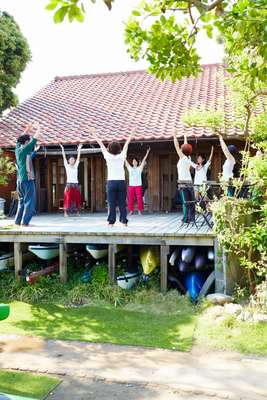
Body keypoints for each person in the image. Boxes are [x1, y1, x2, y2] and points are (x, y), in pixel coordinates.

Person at [89, 127, 134, 226]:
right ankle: (124, 222)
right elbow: (127, 144)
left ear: (109, 149)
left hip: (111, 182)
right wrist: (131, 134)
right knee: (122, 203)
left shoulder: (107, 156)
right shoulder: (122, 155)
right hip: (121, 182)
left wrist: (94, 133)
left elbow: (100, 144)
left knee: (111, 203)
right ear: (119, 149)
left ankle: (111, 222)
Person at [15, 122, 42, 227]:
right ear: (26, 142)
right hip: (27, 179)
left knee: (21, 201)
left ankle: (18, 222)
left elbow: (20, 139)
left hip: (19, 181)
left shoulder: (18, 148)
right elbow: (35, 138)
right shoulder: (26, 148)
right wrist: (38, 128)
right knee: (29, 202)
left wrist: (27, 129)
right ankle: (25, 222)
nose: (30, 141)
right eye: (29, 140)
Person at [173, 129, 195, 223]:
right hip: (189, 182)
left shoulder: (183, 157)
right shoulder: (188, 157)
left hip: (182, 183)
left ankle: (186, 219)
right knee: (190, 201)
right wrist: (185, 136)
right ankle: (190, 218)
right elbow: (185, 147)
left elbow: (177, 146)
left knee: (185, 202)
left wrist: (174, 136)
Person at [59, 143, 83, 217]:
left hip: (75, 185)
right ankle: (65, 213)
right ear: (68, 161)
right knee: (67, 199)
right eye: (71, 159)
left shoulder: (76, 166)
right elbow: (63, 157)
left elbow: (78, 157)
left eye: (73, 159)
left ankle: (78, 212)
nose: (73, 160)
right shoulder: (67, 166)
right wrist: (62, 148)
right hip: (69, 185)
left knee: (77, 199)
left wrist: (79, 149)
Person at [125, 148, 150, 215]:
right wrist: (123, 154)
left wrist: (147, 153)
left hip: (138, 185)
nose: (134, 162)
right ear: (132, 162)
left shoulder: (139, 168)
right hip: (131, 186)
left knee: (139, 199)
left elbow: (144, 159)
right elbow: (125, 161)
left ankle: (139, 211)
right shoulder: (129, 168)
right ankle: (131, 211)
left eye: (135, 161)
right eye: (133, 161)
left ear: (137, 162)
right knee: (130, 199)